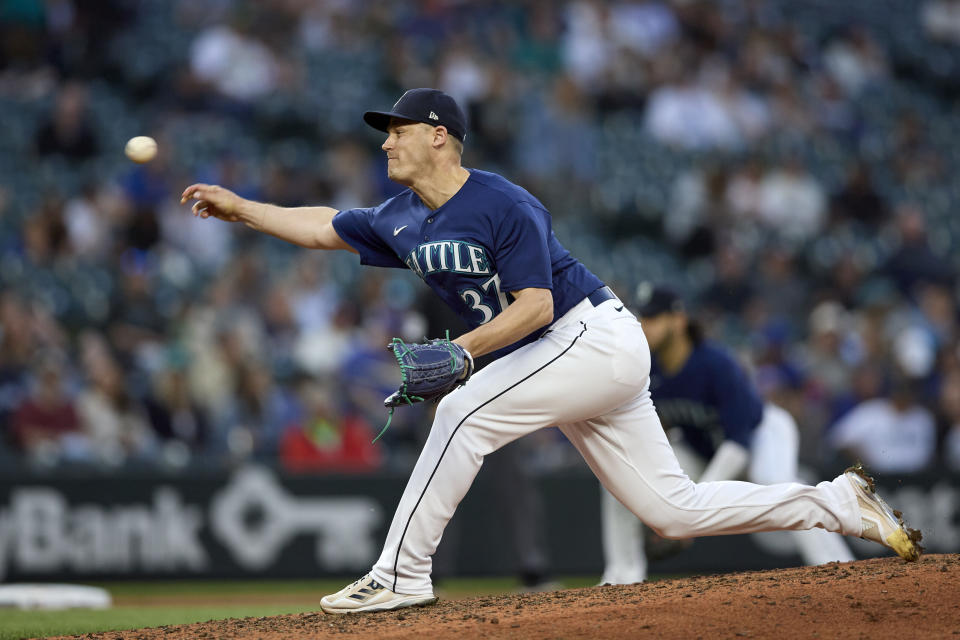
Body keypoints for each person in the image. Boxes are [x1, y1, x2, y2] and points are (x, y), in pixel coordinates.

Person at [180, 88, 920, 615]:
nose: (386, 141)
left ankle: (399, 573)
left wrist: (462, 353)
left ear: (439, 135)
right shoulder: (398, 216)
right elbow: (320, 227)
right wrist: (243, 208)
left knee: (464, 412)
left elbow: (535, 305)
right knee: (674, 511)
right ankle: (837, 503)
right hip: (563, 358)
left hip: (591, 335)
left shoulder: (504, 202)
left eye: (398, 129)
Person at [600, 286, 855, 585]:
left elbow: (739, 444)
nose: (646, 324)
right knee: (623, 477)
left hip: (762, 434)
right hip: (703, 449)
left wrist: (691, 511)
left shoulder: (716, 364)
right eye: (643, 317)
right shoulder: (646, 368)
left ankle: (840, 568)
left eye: (654, 317)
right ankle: (622, 576)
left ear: (679, 319)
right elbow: (659, 430)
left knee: (776, 483)